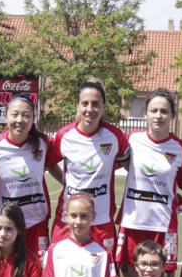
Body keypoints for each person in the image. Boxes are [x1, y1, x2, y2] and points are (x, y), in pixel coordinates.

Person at [115, 89, 182, 277]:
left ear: (173, 115)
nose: (159, 116)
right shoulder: (132, 140)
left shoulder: (181, 148)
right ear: (146, 113)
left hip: (163, 226)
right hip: (133, 223)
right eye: (154, 110)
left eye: (164, 111)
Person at [48, 81, 129, 254]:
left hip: (101, 220)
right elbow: (49, 163)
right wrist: (66, 181)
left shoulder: (115, 136)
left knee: (101, 276)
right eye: (85, 103)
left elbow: (126, 163)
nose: (89, 109)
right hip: (68, 219)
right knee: (60, 272)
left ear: (103, 107)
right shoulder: (64, 135)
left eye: (95, 104)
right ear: (78, 106)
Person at [0, 94, 59, 259]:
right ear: (5, 116)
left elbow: (51, 164)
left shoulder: (42, 143)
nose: (20, 120)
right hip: (7, 225)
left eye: (26, 115)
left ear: (33, 118)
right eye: (15, 114)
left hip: (37, 222)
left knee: (38, 275)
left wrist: (69, 185)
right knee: (7, 273)